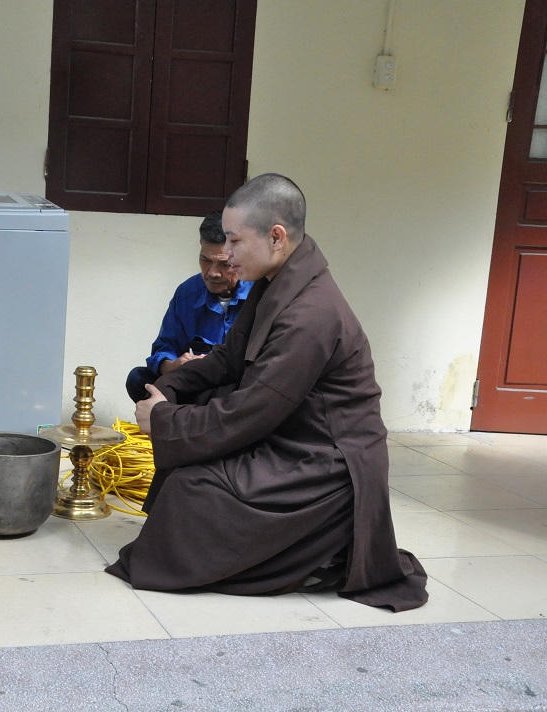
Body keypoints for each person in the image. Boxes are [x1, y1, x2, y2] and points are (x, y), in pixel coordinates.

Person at [107, 173, 427, 611]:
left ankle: (312, 552)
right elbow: (227, 358)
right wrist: (167, 387)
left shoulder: (311, 313)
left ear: (276, 237)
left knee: (192, 487)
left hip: (325, 461)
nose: (227, 254)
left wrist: (163, 419)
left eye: (235, 241)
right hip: (289, 435)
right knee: (188, 464)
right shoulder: (277, 283)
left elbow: (252, 412)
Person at [125, 212, 253, 402]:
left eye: (224, 264)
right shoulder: (188, 293)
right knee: (138, 379)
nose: (213, 273)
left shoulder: (259, 292)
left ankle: (193, 413)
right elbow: (165, 347)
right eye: (206, 260)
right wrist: (174, 365)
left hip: (241, 388)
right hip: (200, 385)